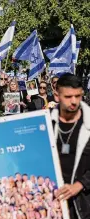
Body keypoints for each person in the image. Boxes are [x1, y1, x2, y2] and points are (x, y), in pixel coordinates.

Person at [51, 74, 90, 219]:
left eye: (77, 96)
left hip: (83, 206)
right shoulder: (46, 123)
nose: (74, 101)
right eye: (68, 97)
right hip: (53, 203)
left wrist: (79, 185)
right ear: (56, 95)